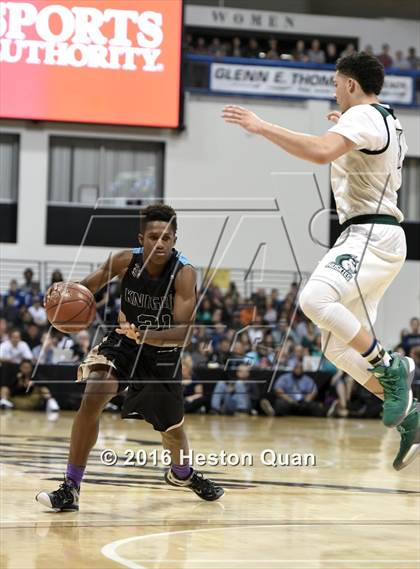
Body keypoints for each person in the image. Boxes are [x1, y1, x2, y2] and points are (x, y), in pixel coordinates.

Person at [222, 52, 418, 471]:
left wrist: (261, 126)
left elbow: (318, 153)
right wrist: (343, 130)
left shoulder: (365, 117)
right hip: (375, 237)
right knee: (336, 345)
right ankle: (412, 412)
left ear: (349, 84)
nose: (334, 90)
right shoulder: (381, 118)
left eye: (335, 84)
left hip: (371, 235)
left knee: (314, 299)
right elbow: (353, 153)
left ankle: (394, 367)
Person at [36, 204, 224, 511]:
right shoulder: (125, 260)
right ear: (142, 238)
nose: (160, 243)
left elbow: (183, 333)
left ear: (174, 240)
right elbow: (88, 287)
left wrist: (146, 335)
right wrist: (62, 296)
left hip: (162, 355)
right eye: (153, 236)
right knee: (94, 394)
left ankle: (183, 474)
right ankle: (71, 488)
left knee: (173, 433)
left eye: (166, 237)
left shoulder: (184, 274)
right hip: (124, 344)